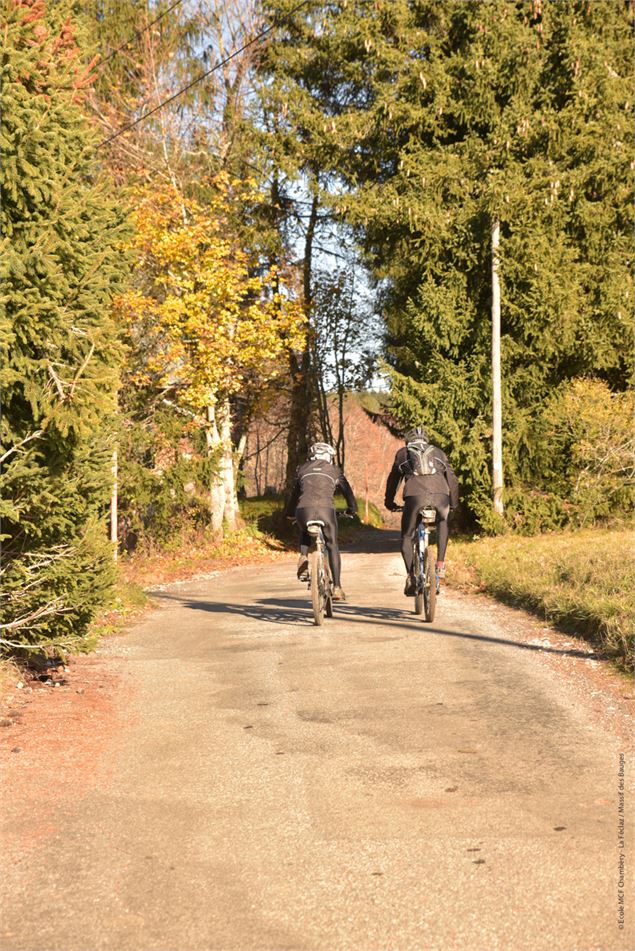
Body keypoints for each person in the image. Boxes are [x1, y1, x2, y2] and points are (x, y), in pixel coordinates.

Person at [384, 426, 459, 595]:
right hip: (441, 495)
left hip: (414, 496)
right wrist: (453, 503)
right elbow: (452, 479)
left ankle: (411, 576)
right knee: (443, 522)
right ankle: (440, 564)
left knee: (407, 536)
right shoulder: (439, 452)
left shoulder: (403, 453)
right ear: (426, 440)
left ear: (408, 441)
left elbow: (393, 480)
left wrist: (389, 502)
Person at [285, 442, 357, 602]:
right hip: (326, 511)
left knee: (304, 528)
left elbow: (294, 494)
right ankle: (337, 587)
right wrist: (352, 509)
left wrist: (290, 513)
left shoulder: (302, 469)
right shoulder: (334, 470)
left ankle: (303, 556)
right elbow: (348, 493)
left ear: (312, 455)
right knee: (332, 545)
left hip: (303, 511)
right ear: (329, 457)